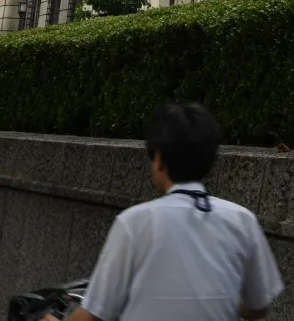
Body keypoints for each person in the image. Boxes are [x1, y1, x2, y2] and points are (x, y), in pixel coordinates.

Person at [67, 103, 282, 321]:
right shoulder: (242, 220)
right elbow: (259, 306)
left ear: (159, 160)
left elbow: (93, 315)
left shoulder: (134, 223)